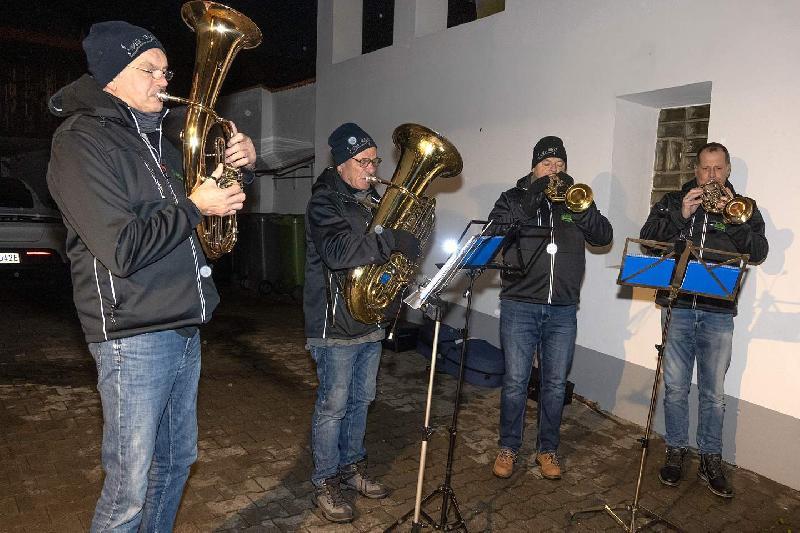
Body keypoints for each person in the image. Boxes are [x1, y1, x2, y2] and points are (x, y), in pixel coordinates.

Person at [46, 21, 256, 531]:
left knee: (175, 464)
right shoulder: (80, 142)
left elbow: (200, 212)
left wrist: (237, 168)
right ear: (112, 77)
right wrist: (194, 204)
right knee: (128, 489)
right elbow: (123, 247)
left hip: (183, 322)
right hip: (133, 334)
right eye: (150, 70)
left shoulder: (158, 138)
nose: (164, 80)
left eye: (166, 70)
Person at [303, 122, 420, 522]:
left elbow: (385, 260)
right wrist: (391, 241)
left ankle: (351, 468)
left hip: (369, 320)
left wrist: (402, 263)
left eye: (375, 160)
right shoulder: (324, 203)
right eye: (363, 161)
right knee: (333, 406)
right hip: (334, 325)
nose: (373, 169)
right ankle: (324, 480)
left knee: (361, 400)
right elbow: (339, 252)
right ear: (341, 164)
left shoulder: (373, 202)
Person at [640, 142, 768, 498]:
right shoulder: (671, 202)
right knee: (676, 387)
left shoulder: (744, 208)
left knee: (713, 395)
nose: (711, 176)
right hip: (677, 307)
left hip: (718, 312)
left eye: (718, 169)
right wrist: (681, 215)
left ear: (727, 171)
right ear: (695, 171)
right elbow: (648, 243)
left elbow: (758, 252)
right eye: (705, 169)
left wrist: (731, 217)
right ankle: (676, 450)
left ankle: (711, 456)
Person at [487, 136, 612, 480]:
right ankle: (509, 446)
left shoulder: (573, 201)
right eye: (547, 164)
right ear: (534, 167)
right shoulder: (513, 198)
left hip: (562, 309)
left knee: (555, 385)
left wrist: (583, 210)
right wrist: (532, 198)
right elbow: (496, 230)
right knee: (515, 382)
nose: (554, 171)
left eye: (560, 165)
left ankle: (548, 450)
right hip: (519, 306)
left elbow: (603, 237)